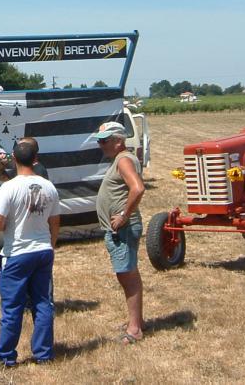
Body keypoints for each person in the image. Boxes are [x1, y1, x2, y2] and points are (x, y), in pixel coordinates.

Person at [0, 137, 60, 369]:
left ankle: (6, 355)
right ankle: (43, 353)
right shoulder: (48, 186)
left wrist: (11, 224)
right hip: (43, 250)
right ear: (35, 159)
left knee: (12, 306)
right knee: (42, 303)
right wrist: (51, 244)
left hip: (17, 252)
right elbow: (55, 221)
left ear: (14, 159)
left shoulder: (9, 187)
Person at [95, 121, 146, 345]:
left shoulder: (123, 160)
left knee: (127, 276)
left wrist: (124, 215)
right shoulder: (120, 159)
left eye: (104, 141)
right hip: (119, 229)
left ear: (118, 141)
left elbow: (138, 188)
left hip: (123, 229)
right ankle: (137, 322)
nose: (100, 145)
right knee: (127, 274)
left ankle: (134, 329)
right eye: (99, 141)